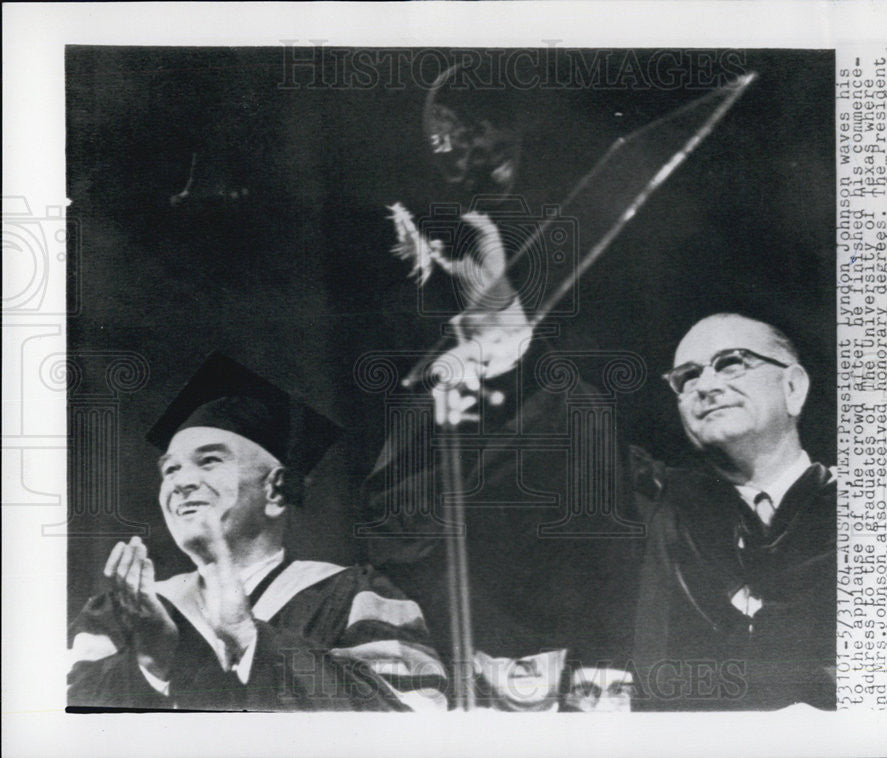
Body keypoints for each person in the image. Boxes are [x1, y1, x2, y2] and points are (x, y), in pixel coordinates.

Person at [361, 212, 641, 710]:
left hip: (559, 675)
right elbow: (394, 531)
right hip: (447, 672)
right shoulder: (421, 411)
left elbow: (595, 527)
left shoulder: (572, 407)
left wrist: (501, 326)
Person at [67, 354, 447, 711]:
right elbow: (65, 728)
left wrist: (247, 636)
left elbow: (408, 719)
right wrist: (152, 661)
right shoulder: (126, 612)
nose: (180, 483)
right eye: (170, 469)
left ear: (276, 490)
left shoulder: (354, 597)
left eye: (209, 460)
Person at [629, 313, 836, 710]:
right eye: (687, 377)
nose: (705, 386)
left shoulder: (878, 520)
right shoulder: (661, 505)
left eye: (731, 363)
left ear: (792, 387)